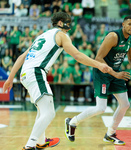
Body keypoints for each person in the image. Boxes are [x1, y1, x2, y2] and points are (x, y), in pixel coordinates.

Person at [2, 12, 111, 150]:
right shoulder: (61, 35)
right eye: (67, 21)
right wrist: (99, 65)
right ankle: (29, 146)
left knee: (42, 111)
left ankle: (41, 142)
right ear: (60, 23)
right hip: (36, 72)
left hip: (26, 74)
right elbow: (77, 55)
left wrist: (10, 78)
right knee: (49, 113)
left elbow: (21, 57)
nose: (69, 24)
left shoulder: (41, 36)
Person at [65, 16, 131, 145]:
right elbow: (98, 58)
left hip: (116, 72)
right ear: (123, 24)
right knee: (101, 108)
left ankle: (110, 134)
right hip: (102, 72)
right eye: (129, 24)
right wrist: (115, 73)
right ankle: (72, 121)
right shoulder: (113, 37)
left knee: (125, 104)